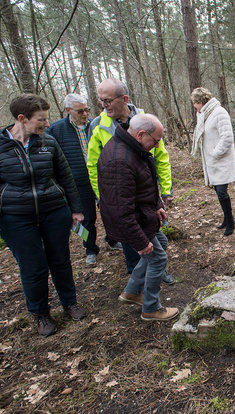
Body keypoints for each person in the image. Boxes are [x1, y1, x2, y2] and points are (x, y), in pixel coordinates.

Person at [0, 93, 86, 337]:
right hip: (15, 217)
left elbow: (65, 177)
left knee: (60, 259)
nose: (46, 123)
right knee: (33, 266)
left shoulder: (48, 142)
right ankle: (41, 313)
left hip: (54, 211)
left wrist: (76, 209)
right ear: (22, 118)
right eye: (40, 119)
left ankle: (69, 302)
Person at [87, 78, 175, 282]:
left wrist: (164, 192)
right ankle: (136, 285)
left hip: (144, 195)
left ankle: (158, 272)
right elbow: (92, 165)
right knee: (131, 239)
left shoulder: (147, 121)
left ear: (124, 99)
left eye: (108, 100)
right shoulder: (98, 125)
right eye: (101, 100)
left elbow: (160, 157)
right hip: (119, 196)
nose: (103, 105)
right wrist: (103, 197)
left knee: (154, 237)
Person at [97, 113, 179, 321]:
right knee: (158, 258)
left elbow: (144, 186)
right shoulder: (120, 160)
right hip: (134, 220)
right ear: (141, 134)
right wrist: (139, 241)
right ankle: (151, 307)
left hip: (143, 214)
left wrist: (157, 205)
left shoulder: (133, 149)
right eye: (156, 141)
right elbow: (120, 209)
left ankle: (132, 291)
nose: (157, 146)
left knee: (161, 241)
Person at [46, 93, 99, 265]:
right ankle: (90, 248)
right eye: (80, 111)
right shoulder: (56, 130)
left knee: (110, 211)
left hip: (100, 178)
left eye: (87, 110)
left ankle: (113, 239)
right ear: (68, 110)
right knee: (87, 218)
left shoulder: (95, 125)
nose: (85, 114)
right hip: (79, 184)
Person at [191, 87, 235, 236]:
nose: (194, 106)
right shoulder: (204, 114)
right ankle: (226, 218)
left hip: (221, 160)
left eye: (195, 103)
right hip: (212, 162)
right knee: (218, 192)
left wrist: (215, 153)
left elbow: (227, 137)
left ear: (200, 101)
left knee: (222, 193)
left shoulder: (219, 112)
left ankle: (231, 222)